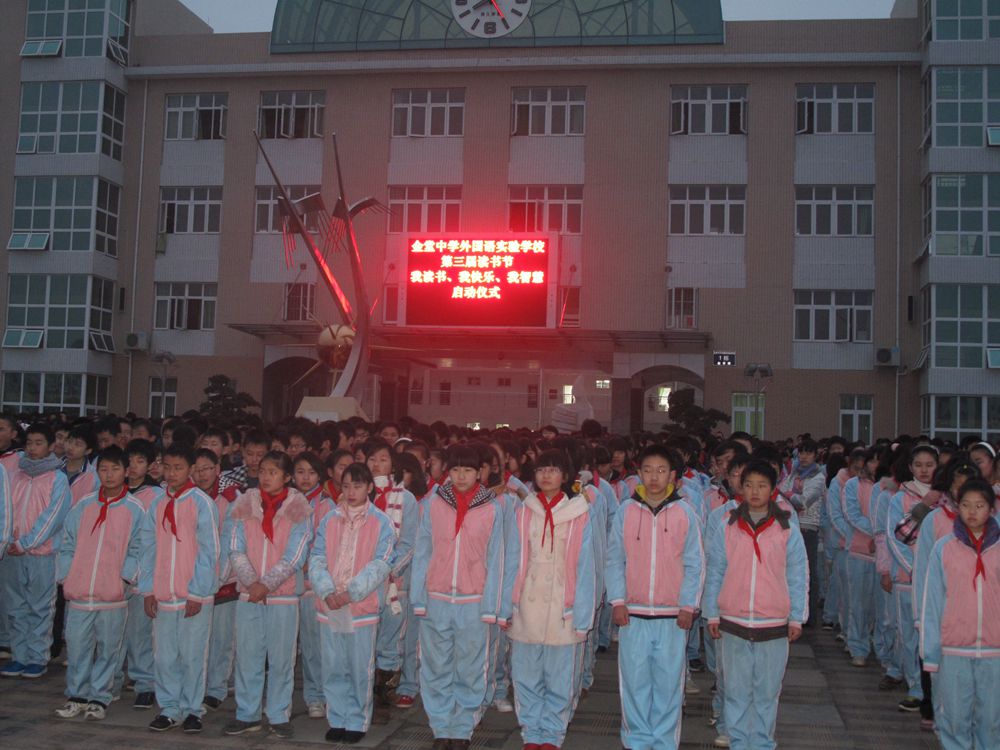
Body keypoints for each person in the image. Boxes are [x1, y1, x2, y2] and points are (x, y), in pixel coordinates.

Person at [704, 460, 808, 750]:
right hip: (733, 621)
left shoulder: (786, 527)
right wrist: (712, 613)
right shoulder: (727, 525)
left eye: (762, 485)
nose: (754, 491)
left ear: (773, 489)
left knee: (767, 692)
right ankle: (738, 742)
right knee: (735, 690)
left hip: (773, 623)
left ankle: (762, 743)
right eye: (749, 484)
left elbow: (798, 573)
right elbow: (715, 570)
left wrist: (796, 617)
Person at [606, 445, 705, 750]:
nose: (654, 477)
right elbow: (614, 559)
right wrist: (617, 600)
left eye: (661, 471)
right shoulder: (626, 511)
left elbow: (695, 563)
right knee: (634, 682)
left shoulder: (685, 512)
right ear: (639, 473)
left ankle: (664, 742)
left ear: (672, 475)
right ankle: (636, 741)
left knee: (668, 684)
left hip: (672, 616)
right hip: (633, 614)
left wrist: (688, 605)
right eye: (648, 470)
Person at [410, 444, 506, 749]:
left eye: (467, 470)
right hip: (436, 597)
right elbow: (422, 550)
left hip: (474, 601)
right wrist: (418, 596)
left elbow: (498, 559)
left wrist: (493, 605)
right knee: (435, 666)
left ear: (480, 472)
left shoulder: (493, 508)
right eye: (455, 469)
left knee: (470, 668)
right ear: (447, 471)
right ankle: (440, 726)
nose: (461, 476)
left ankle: (463, 728)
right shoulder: (433, 503)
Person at [504, 449, 596, 750]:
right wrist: (506, 604)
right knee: (525, 673)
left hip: (563, 603)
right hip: (527, 601)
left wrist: (583, 612)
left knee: (561, 676)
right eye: (542, 469)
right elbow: (512, 559)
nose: (546, 475)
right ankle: (531, 733)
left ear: (565, 476)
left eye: (554, 470)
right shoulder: (524, 511)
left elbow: (586, 566)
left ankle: (553, 735)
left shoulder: (580, 512)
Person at [223, 451, 312, 739]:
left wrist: (267, 584)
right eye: (262, 471)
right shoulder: (244, 503)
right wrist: (252, 583)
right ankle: (247, 713)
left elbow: (296, 555)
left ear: (286, 477)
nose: (265, 477)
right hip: (250, 594)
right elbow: (235, 547)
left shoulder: (299, 508)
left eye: (273, 472)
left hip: (282, 595)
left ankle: (278, 714)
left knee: (281, 658)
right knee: (248, 655)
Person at [55, 446, 144, 720]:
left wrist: (124, 579)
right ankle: (77, 695)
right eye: (103, 469)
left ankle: (100, 697)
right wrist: (67, 576)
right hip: (80, 591)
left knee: (109, 648)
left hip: (112, 594)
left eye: (115, 469)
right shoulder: (84, 505)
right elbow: (67, 542)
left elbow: (139, 548)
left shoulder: (134, 509)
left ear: (126, 472)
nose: (109, 474)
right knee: (77, 646)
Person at [309, 462, 395, 745]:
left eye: (357, 486)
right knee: (333, 664)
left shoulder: (381, 522)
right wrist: (326, 590)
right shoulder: (329, 519)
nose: (351, 492)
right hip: (331, 603)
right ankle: (337, 718)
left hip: (360, 605)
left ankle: (357, 720)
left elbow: (381, 563)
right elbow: (317, 557)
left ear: (369, 487)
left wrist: (351, 592)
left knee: (359, 666)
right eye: (346, 486)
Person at [139, 444, 220, 733]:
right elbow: (147, 547)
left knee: (193, 654)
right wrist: (148, 589)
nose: (172, 473)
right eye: (167, 467)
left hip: (193, 594)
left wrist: (198, 591)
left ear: (191, 470)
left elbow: (210, 551)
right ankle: (169, 708)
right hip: (164, 593)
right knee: (164, 655)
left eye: (178, 468)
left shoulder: (201, 503)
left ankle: (193, 709)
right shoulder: (157, 503)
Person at [919, 478, 1000, 749]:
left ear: (991, 508)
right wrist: (930, 655)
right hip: (953, 650)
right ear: (957, 506)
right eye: (966, 505)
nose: (972, 512)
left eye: (980, 505)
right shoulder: (944, 548)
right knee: (953, 721)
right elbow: (932, 603)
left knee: (992, 723)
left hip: (995, 652)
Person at [0, 423, 71, 679]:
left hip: (42, 554)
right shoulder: (15, 476)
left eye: (39, 443)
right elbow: (5, 509)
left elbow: (53, 518)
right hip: (12, 552)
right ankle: (19, 656)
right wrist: (9, 541)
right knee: (15, 606)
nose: (32, 448)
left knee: (40, 607)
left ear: (51, 446)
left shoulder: (57, 479)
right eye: (29, 443)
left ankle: (37, 657)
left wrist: (26, 543)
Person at [364, 439, 419, 708]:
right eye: (372, 459)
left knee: (391, 640)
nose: (377, 464)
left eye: (383, 459)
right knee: (364, 640)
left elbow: (409, 543)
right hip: (362, 582)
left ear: (393, 464)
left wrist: (387, 571)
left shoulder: (405, 499)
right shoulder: (358, 495)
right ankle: (361, 694)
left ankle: (384, 697)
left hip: (395, 582)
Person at [886, 445, 939, 712]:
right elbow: (893, 539)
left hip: (938, 582)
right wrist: (916, 570)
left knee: (932, 637)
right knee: (908, 635)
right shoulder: (900, 498)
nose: (924, 470)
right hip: (907, 578)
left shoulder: (945, 497)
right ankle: (915, 688)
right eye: (919, 465)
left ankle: (934, 690)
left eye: (929, 464)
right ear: (910, 467)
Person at [119, 438, 164, 709]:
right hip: (112, 573)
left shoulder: (156, 496)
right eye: (130, 461)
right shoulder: (116, 492)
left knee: (140, 632)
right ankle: (113, 679)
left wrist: (141, 573)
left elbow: (153, 540)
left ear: (150, 465)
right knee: (114, 632)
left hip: (141, 575)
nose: (134, 466)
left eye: (140, 461)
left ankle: (145, 683)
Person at [292, 451, 336, 718]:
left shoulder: (327, 505)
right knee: (298, 647)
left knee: (316, 644)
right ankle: (312, 694)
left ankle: (321, 695)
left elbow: (328, 545)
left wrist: (307, 565)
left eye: (311, 472)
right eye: (300, 472)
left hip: (314, 585)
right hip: (287, 582)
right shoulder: (288, 501)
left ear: (319, 475)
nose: (305, 478)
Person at [778, 438, 825, 625]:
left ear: (815, 455)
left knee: (809, 571)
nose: (804, 457)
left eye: (808, 453)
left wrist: (788, 494)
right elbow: (781, 489)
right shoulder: (793, 473)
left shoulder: (818, 477)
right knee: (792, 569)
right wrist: (788, 494)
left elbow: (804, 500)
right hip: (792, 523)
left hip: (808, 526)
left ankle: (810, 615)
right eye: (801, 453)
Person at [841, 449, 880, 666]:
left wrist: (881, 536)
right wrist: (877, 532)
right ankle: (857, 646)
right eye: (872, 461)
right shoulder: (853, 485)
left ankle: (878, 644)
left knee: (877, 607)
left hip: (882, 555)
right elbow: (852, 514)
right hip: (858, 551)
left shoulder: (887, 486)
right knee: (858, 604)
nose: (875, 465)